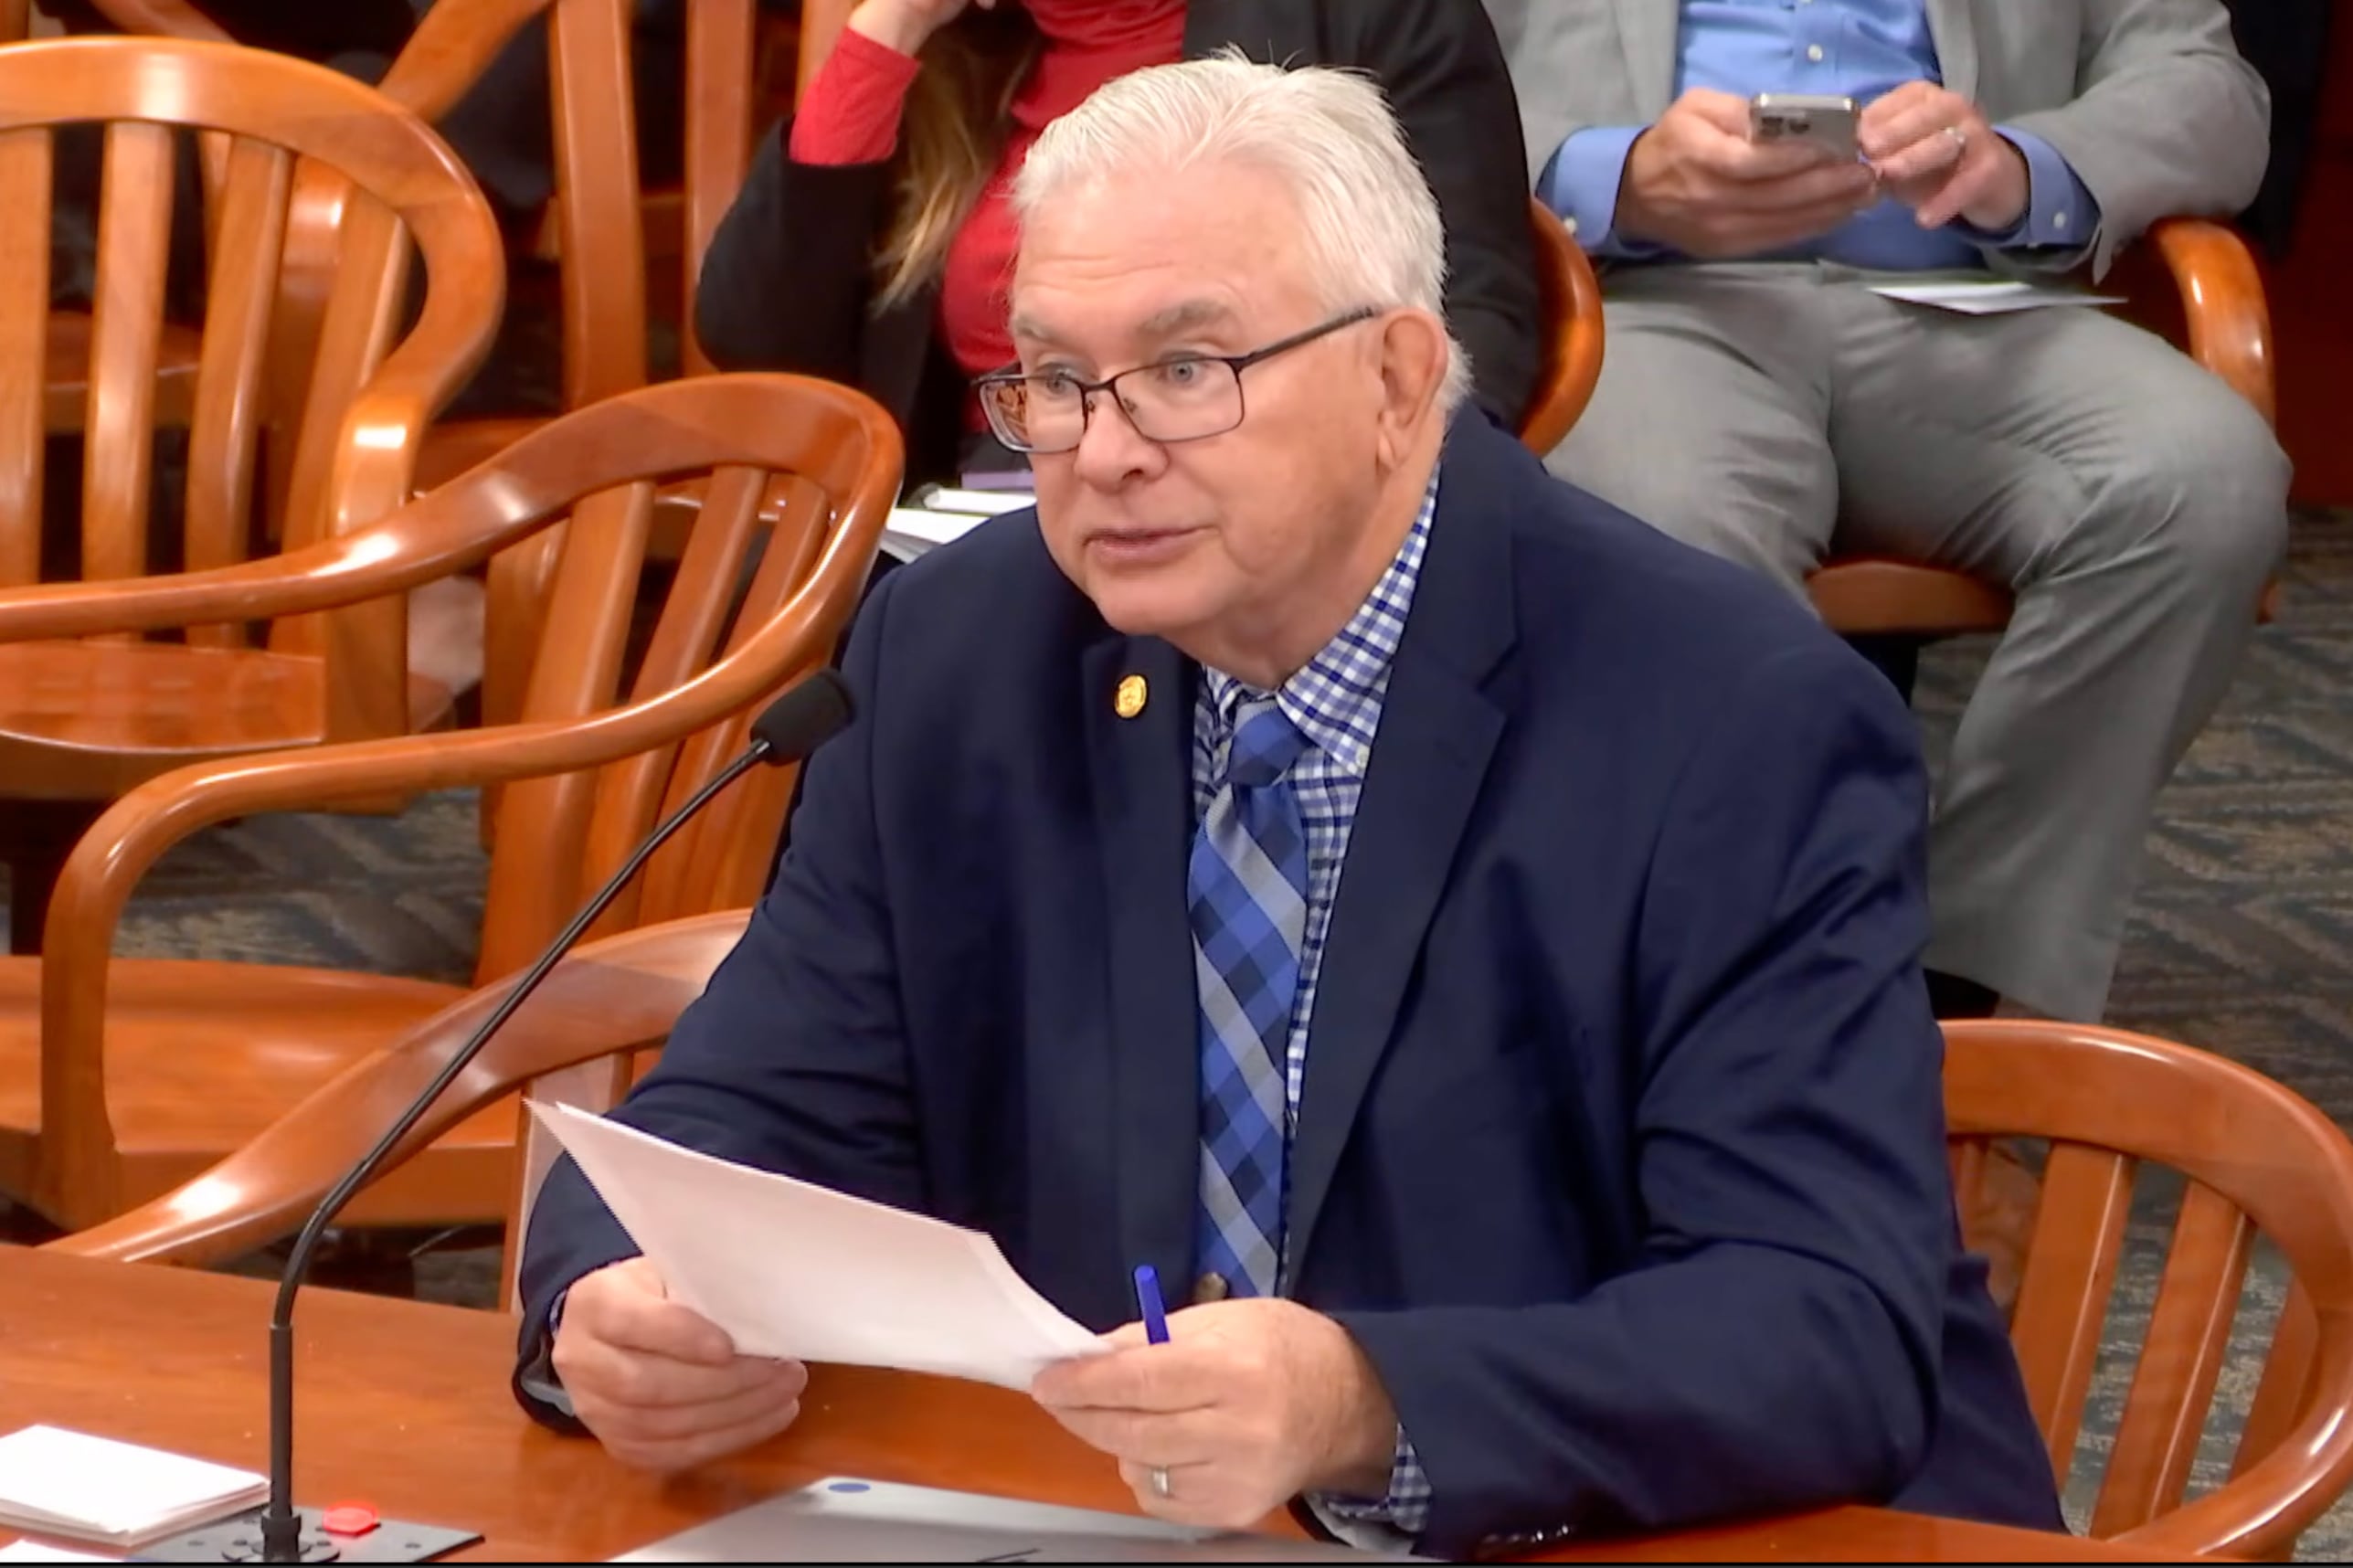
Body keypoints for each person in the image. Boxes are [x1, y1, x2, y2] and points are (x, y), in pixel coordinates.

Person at [512, 57, 2062, 1557]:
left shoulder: (1730, 717)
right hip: (1120, 1522)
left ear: (1397, 378)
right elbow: (749, 1111)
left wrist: (1367, 1403)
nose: (1105, 453)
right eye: (1053, 380)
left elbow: (1820, 1322)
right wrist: (616, 1299)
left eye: (1187, 372)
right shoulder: (951, 652)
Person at [1483, 0, 2292, 1025]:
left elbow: (2207, 85)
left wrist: (2028, 167)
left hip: (1960, 308)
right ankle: (1755, 1009)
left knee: (2201, 481)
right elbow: (1369, 88)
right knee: (1665, 532)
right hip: (1640, 301)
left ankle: (1969, 992)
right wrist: (1615, 177)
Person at [692, 0, 1542, 487]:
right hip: (979, 520)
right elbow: (757, 338)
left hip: (1263, 509)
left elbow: (1476, 316)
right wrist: (890, 26)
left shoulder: (1362, 15)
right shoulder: (970, 61)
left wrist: (1334, 509)